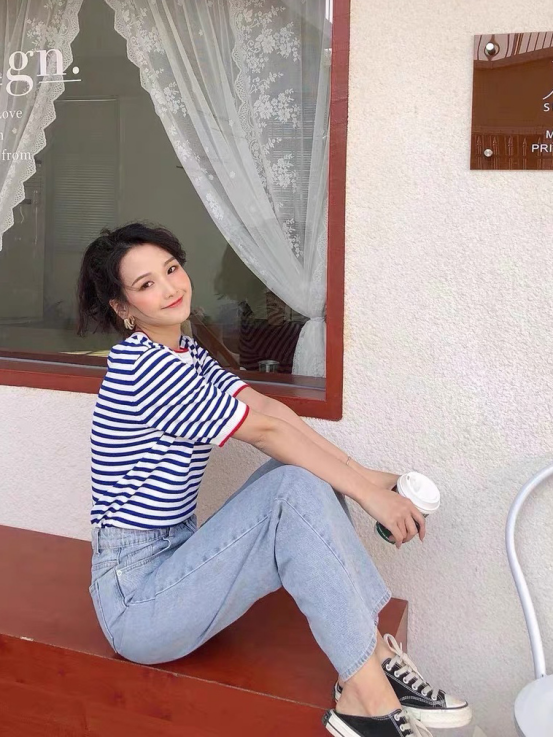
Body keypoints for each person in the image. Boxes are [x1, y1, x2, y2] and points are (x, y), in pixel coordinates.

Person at [77, 222, 472, 737]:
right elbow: (265, 433)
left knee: (300, 472)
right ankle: (366, 702)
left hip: (177, 558)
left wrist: (373, 479)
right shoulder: (141, 366)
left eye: (171, 269)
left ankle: (373, 657)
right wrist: (369, 497)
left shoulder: (185, 353)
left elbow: (270, 411)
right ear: (123, 307)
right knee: (292, 483)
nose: (170, 287)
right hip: (137, 602)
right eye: (147, 284)